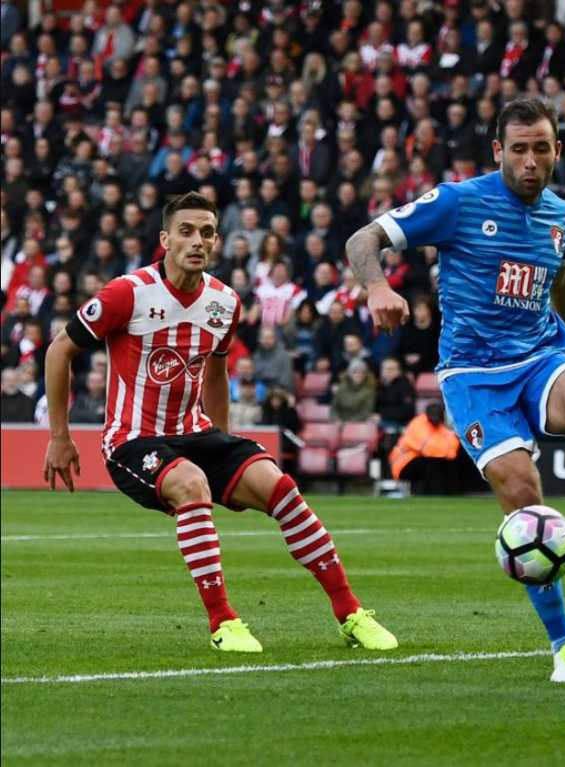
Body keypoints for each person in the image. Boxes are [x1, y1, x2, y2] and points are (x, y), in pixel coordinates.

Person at [346, 98, 565, 684]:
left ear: (558, 151)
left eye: (541, 148)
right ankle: (564, 642)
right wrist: (377, 287)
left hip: (540, 356)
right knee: (522, 490)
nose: (530, 161)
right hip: (474, 375)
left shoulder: (561, 215)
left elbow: (561, 270)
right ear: (498, 152)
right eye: (519, 149)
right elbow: (364, 239)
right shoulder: (458, 201)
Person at [43, 192, 396, 654]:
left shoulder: (224, 302)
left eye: (207, 232)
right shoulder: (127, 293)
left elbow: (215, 369)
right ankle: (224, 622)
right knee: (191, 485)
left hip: (196, 433)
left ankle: (350, 613)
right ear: (165, 239)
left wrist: (224, 442)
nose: (197, 241)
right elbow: (58, 350)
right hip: (133, 438)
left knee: (281, 488)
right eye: (186, 231)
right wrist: (59, 436)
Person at [389, 402, 462, 495]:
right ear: (426, 414)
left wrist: (440, 450)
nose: (434, 419)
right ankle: (433, 494)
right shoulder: (417, 423)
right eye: (432, 415)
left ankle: (449, 494)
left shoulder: (444, 428)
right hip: (403, 464)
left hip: (428, 461)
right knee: (430, 463)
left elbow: (452, 453)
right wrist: (442, 449)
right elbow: (426, 448)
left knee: (447, 463)